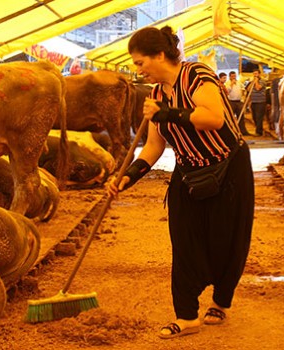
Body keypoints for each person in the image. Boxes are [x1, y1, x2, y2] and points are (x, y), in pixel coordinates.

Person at [108, 26, 254, 340]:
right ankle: (186, 316)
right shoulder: (156, 95)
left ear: (160, 55)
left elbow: (212, 117)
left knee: (226, 240)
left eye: (140, 62)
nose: (138, 70)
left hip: (228, 169)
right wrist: (126, 178)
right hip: (188, 172)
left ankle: (220, 300)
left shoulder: (196, 74)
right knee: (184, 242)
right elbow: (152, 148)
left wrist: (167, 114)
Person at [227, 71, 250, 136]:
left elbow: (243, 89)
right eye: (232, 76)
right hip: (231, 102)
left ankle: (243, 131)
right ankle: (231, 132)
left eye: (235, 76)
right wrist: (231, 84)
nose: (234, 77)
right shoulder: (227, 83)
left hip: (239, 102)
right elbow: (227, 91)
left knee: (241, 117)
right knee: (231, 117)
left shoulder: (239, 82)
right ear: (230, 77)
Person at [247, 70, 267, 136]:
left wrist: (256, 82)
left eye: (256, 73)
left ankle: (259, 132)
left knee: (259, 117)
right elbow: (248, 89)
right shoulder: (252, 81)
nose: (255, 75)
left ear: (259, 74)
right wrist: (252, 82)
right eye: (254, 73)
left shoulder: (262, 81)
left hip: (260, 102)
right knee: (254, 117)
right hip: (254, 101)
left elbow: (258, 88)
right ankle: (258, 129)